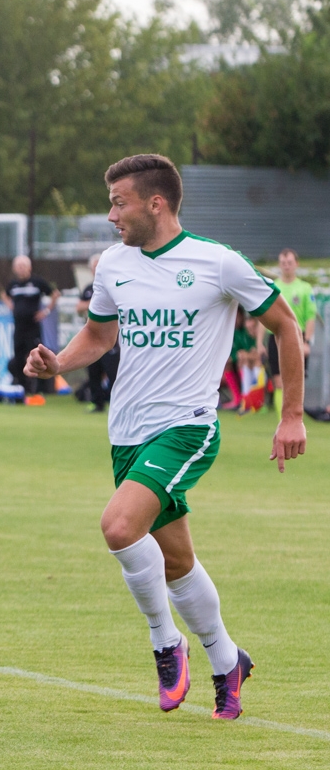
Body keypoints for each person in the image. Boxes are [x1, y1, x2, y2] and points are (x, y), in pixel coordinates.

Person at [27, 154, 306, 720]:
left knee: (118, 525)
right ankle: (228, 660)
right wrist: (60, 363)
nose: (111, 215)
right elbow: (100, 334)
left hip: (187, 428)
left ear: (156, 203)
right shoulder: (112, 264)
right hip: (127, 431)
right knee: (175, 561)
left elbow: (285, 326)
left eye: (118, 202)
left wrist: (292, 414)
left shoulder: (217, 262)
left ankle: (165, 644)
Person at [2, 255, 58, 402]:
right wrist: (11, 306)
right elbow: (4, 294)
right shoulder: (13, 285)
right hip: (18, 327)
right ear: (15, 269)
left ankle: (39, 389)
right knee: (19, 357)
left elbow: (55, 294)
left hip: (33, 327)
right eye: (18, 266)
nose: (21, 269)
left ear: (29, 267)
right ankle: (21, 389)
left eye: (23, 266)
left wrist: (45, 311)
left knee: (35, 357)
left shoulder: (37, 282)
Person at [269, 249, 318, 408]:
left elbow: (311, 316)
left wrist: (307, 341)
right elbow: (264, 314)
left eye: (289, 263)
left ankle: (296, 422)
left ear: (296, 264)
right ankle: (281, 423)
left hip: (298, 336)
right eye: (283, 263)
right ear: (279, 265)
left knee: (296, 384)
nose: (286, 266)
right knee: (278, 381)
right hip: (276, 336)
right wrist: (259, 342)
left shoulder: (305, 288)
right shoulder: (274, 286)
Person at [75, 253, 119, 412]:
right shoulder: (89, 288)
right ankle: (97, 403)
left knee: (113, 371)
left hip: (111, 337)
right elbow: (79, 307)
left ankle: (117, 404)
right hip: (92, 336)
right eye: (94, 268)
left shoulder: (114, 285)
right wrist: (94, 304)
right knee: (93, 371)